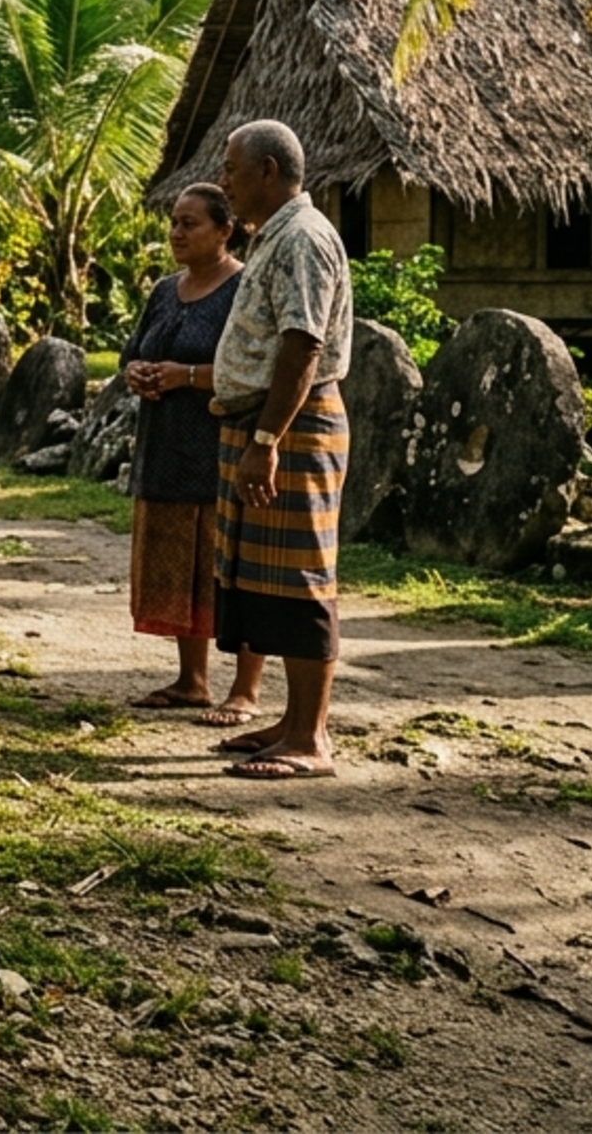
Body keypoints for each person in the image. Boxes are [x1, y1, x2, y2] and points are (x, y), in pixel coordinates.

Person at [207, 120, 353, 780]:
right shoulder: (277, 235)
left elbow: (303, 343)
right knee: (266, 578)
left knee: (300, 578)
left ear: (268, 171)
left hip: (291, 426)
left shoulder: (303, 237)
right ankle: (292, 722)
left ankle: (311, 738)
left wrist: (267, 439)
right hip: (264, 422)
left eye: (232, 168)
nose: (225, 181)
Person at [119, 182, 262, 721]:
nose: (176, 233)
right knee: (182, 565)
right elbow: (133, 353)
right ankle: (192, 680)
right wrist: (136, 372)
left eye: (190, 223)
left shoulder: (244, 290)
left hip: (221, 450)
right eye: (174, 222)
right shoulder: (164, 290)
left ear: (225, 230)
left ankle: (245, 689)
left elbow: (255, 370)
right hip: (166, 450)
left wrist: (190, 377)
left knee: (233, 569)